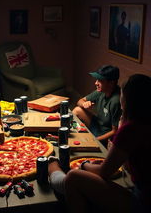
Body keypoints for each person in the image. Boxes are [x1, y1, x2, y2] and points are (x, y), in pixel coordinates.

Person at [48, 74, 151, 213]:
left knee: (73, 177)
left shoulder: (131, 128)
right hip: (141, 191)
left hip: (142, 202)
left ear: (128, 99)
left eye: (123, 94)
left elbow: (104, 172)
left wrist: (84, 165)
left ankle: (51, 165)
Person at [72, 65, 121, 145]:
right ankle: (74, 133)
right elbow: (80, 101)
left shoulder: (116, 101)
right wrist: (84, 103)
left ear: (111, 83)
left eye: (100, 80)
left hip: (105, 135)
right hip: (97, 124)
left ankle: (87, 138)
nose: (96, 83)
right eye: (96, 80)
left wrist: (94, 140)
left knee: (87, 143)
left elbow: (115, 131)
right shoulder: (101, 91)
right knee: (77, 110)